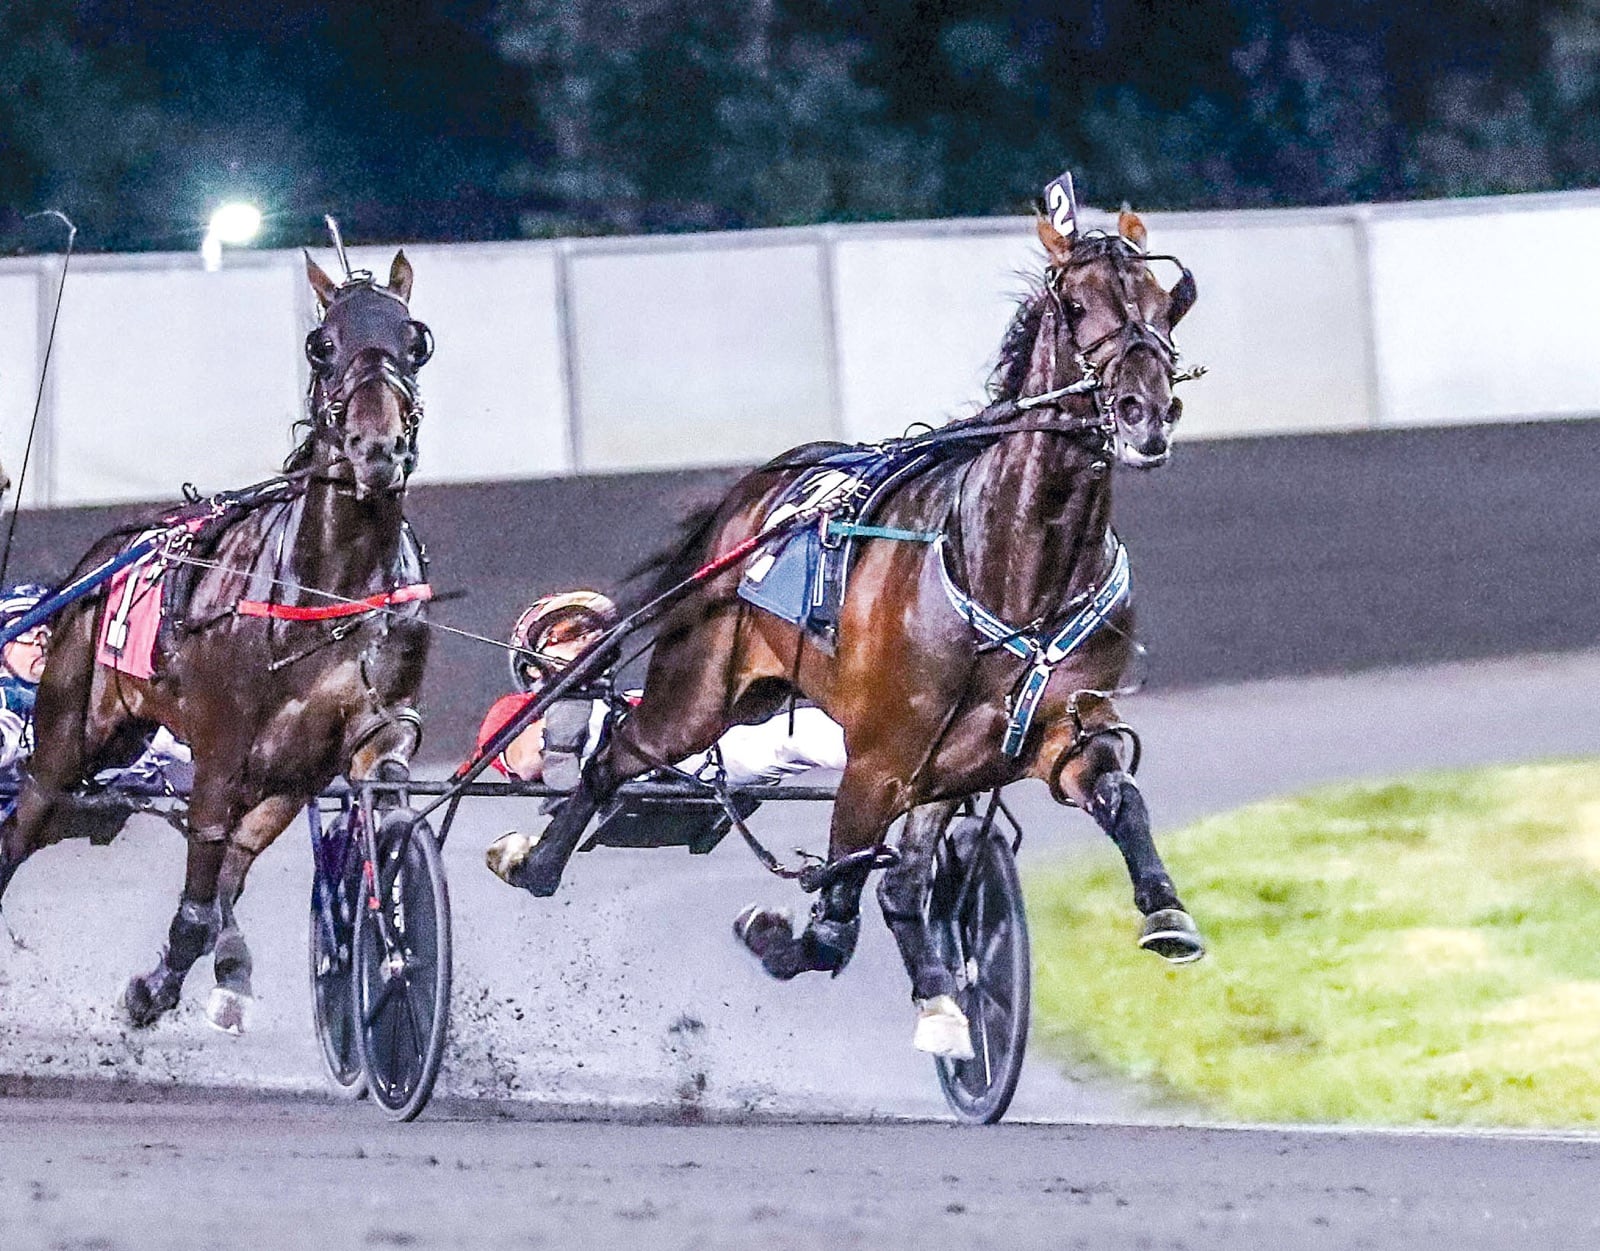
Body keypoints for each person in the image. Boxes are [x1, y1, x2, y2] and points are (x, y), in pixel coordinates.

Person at [481, 589, 846, 883]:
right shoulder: (517, 709)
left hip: (690, 766)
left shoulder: (638, 698)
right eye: (568, 634)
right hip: (594, 789)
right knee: (572, 712)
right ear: (531, 666)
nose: (590, 638)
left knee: (799, 731)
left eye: (594, 630)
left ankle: (895, 765)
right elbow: (525, 762)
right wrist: (572, 695)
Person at [0, 583, 192, 796]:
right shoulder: (9, 699)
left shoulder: (88, 687)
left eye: (45, 630)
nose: (40, 642)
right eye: (26, 632)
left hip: (150, 793)